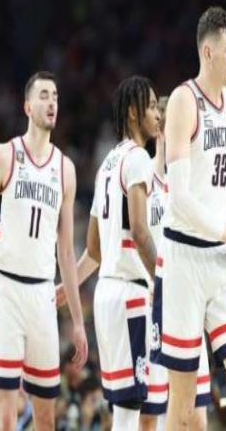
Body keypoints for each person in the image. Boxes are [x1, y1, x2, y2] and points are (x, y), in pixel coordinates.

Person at [152, 6, 226, 430]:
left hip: (221, 262)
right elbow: (179, 198)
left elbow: (220, 183)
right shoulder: (183, 100)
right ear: (208, 52)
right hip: (183, 263)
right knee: (184, 410)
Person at [0, 71, 88, 430]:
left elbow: (67, 253)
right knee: (6, 415)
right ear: (27, 106)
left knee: (45, 417)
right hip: (6, 290)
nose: (52, 103)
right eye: (44, 95)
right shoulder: (5, 155)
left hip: (42, 296)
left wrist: (78, 322)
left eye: (56, 97)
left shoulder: (65, 169)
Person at [56, 75, 160, 430]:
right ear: (132, 112)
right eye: (151, 106)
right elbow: (141, 232)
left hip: (105, 296)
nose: (158, 113)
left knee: (124, 412)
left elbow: (94, 249)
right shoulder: (138, 159)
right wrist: (164, 283)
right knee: (131, 412)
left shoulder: (106, 165)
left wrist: (67, 285)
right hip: (131, 294)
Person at [140, 96, 211, 431]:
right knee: (156, 414)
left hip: (191, 299)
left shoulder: (192, 182)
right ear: (160, 130)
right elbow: (133, 239)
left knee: (197, 418)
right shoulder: (143, 179)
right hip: (157, 303)